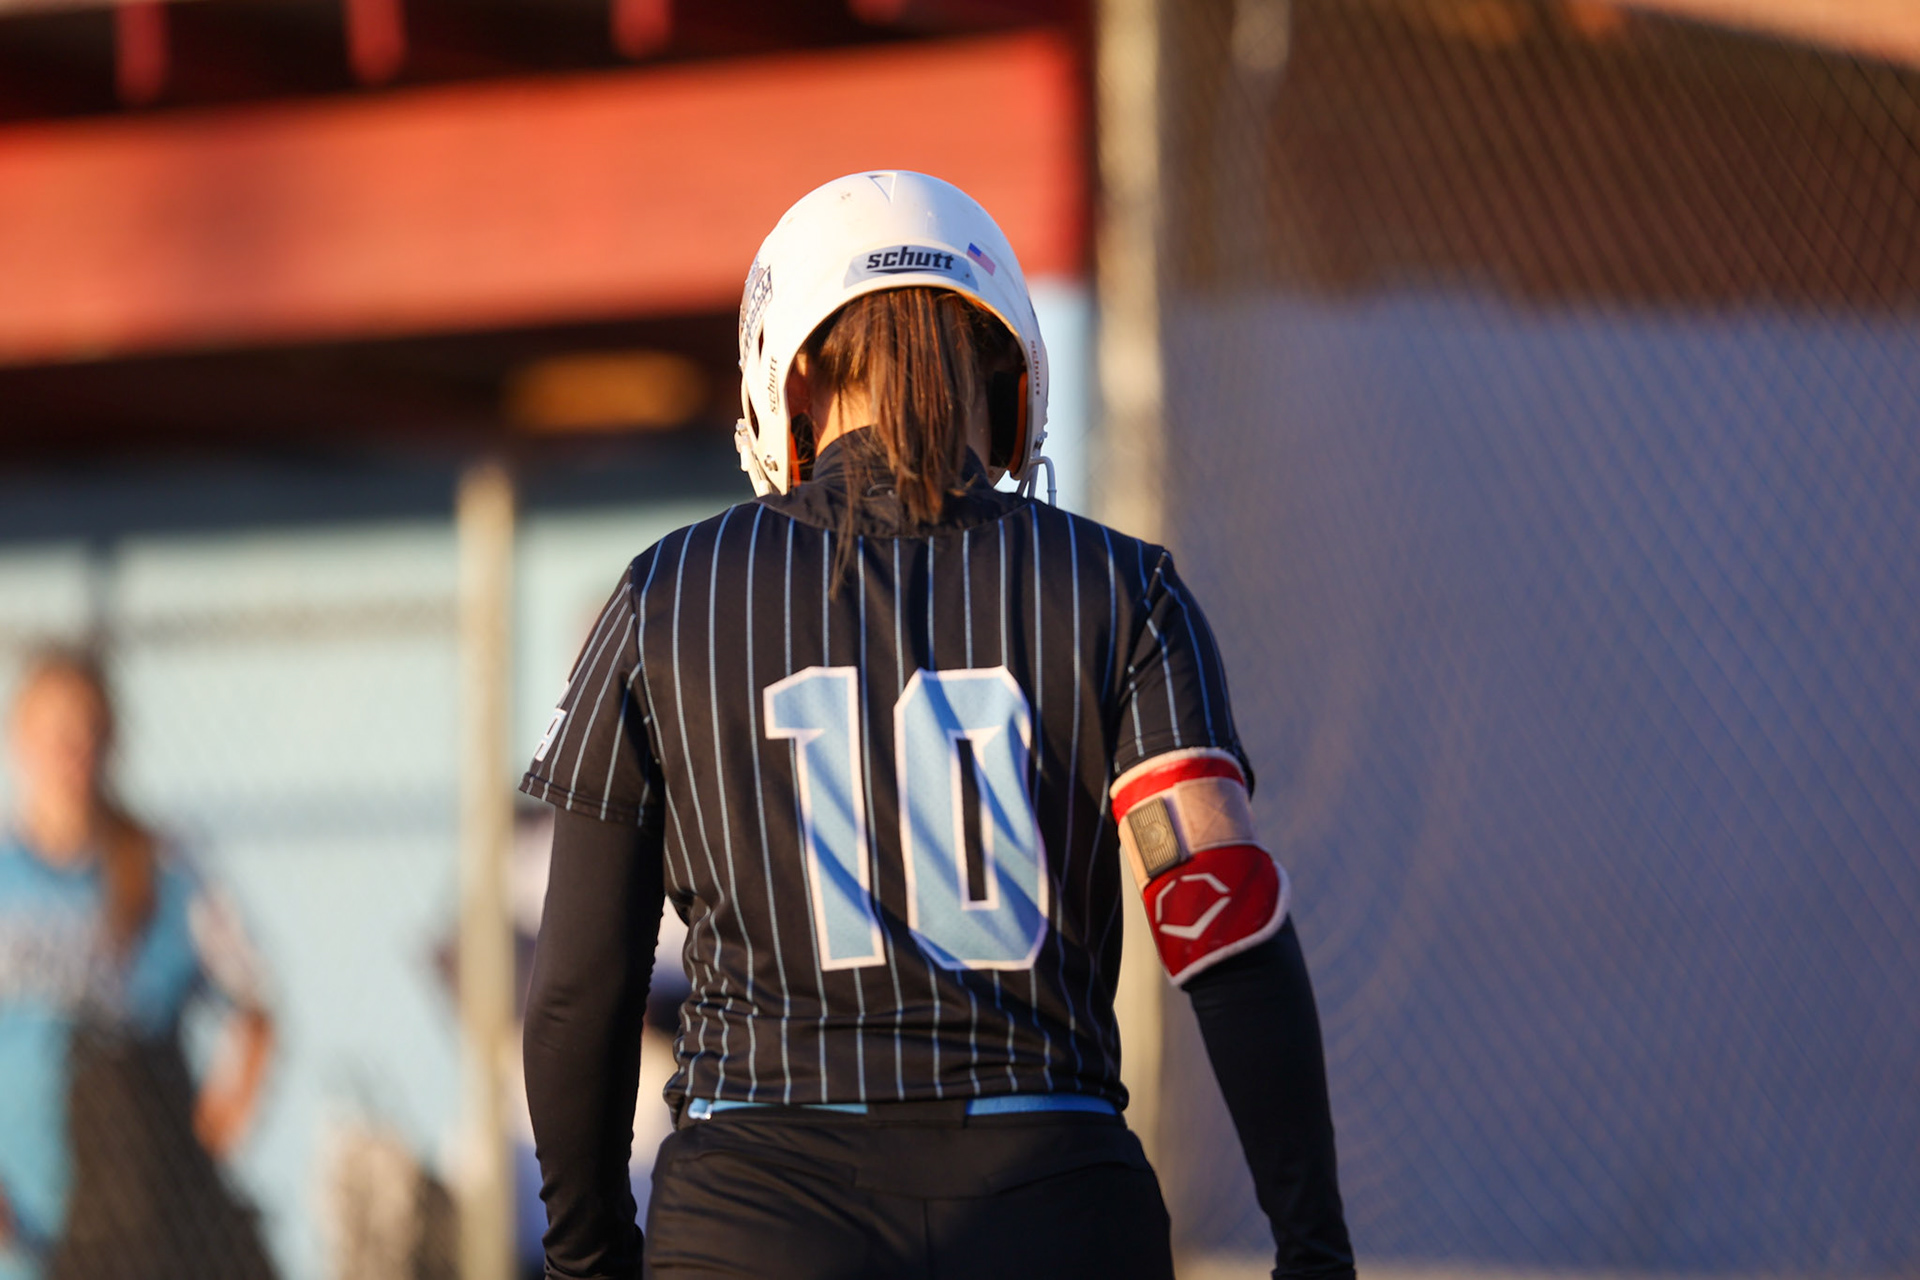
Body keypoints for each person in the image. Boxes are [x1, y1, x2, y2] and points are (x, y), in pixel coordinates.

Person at [521, 171, 1355, 1280]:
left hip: (757, 1211)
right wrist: (1313, 1246)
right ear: (1007, 383)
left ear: (795, 377)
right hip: (1052, 1207)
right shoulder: (1122, 589)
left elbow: (581, 979)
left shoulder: (666, 594)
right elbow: (1224, 923)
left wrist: (585, 1257)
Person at [0, 648, 277, 1280]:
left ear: (112, 741)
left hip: (138, 1227)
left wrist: (227, 1111)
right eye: (53, 733)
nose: (72, 751)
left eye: (88, 731)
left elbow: (256, 1002)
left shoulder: (166, 871)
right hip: (21, 1222)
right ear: (19, 740)